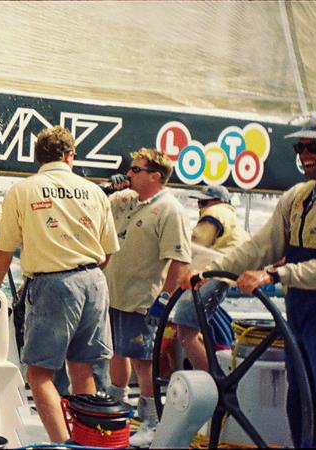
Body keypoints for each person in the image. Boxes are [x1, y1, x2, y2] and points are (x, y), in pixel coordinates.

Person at [181, 114, 316, 448]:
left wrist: (274, 275)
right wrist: (213, 273)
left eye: (314, 146)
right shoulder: (299, 196)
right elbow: (261, 245)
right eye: (300, 147)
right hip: (301, 313)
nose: (303, 155)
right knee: (300, 404)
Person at [0, 126, 118, 443]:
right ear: (69, 156)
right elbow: (107, 251)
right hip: (93, 280)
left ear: (38, 157)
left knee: (39, 374)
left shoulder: (23, 190)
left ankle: (61, 444)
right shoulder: (95, 191)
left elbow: (4, 251)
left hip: (52, 284)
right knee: (82, 367)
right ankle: (89, 441)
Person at [102, 147, 192, 447]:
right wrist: (107, 187)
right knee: (116, 350)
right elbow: (97, 205)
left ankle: (152, 419)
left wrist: (164, 300)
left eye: (136, 170)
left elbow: (180, 261)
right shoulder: (125, 198)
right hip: (114, 294)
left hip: (144, 299)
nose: (129, 173)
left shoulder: (170, 209)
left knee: (144, 360)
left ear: (156, 176)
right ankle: (118, 406)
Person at [171, 185, 248, 370]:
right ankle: (215, 377)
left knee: (185, 332)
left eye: (203, 202)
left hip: (210, 275)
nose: (200, 206)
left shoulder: (216, 212)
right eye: (199, 202)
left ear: (219, 201)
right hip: (221, 276)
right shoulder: (232, 218)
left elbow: (195, 244)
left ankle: (211, 385)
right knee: (194, 330)